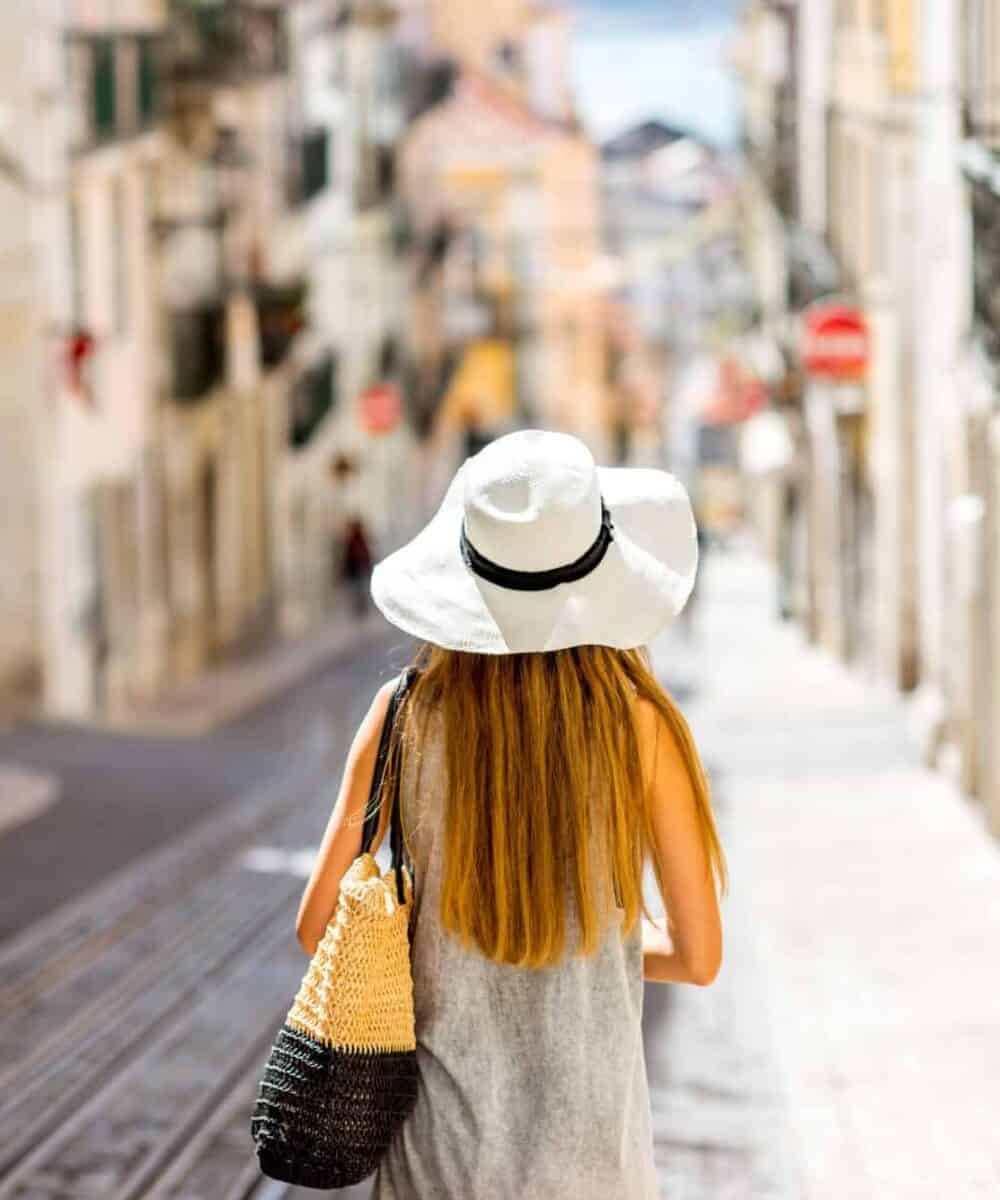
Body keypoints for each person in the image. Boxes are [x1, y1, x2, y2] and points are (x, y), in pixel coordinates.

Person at [296, 429, 727, 1199]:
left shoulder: (400, 717)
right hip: (597, 1162)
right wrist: (597, 950)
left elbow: (315, 926)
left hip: (437, 1160)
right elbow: (697, 956)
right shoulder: (642, 727)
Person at [340, 514, 374, 617]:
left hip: (357, 569)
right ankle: (361, 607)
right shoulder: (356, 539)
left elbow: (360, 554)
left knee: (359, 589)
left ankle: (361, 607)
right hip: (357, 569)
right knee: (359, 589)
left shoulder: (356, 539)